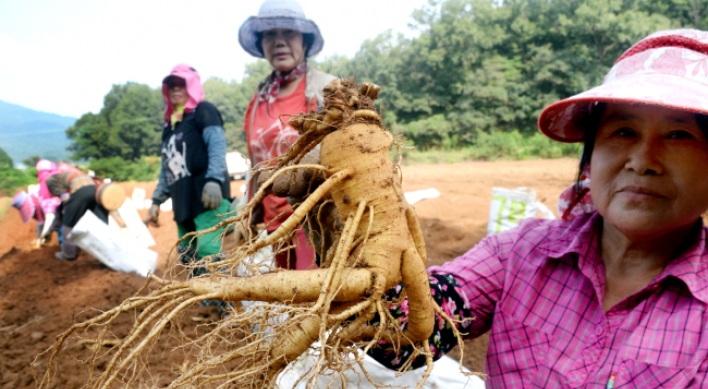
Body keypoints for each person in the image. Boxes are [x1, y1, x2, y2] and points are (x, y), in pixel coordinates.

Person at [282, 29, 708, 387]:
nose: (641, 161)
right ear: (591, 153)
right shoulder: (521, 254)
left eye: (679, 136)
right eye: (624, 130)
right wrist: (346, 230)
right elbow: (411, 337)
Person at [238, 0, 336, 270]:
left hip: (315, 217)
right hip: (275, 224)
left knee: (316, 297)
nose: (279, 41)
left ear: (304, 41)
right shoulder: (259, 98)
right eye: (270, 34)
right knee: (291, 300)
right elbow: (256, 162)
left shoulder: (326, 88)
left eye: (288, 33)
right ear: (261, 44)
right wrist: (249, 210)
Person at [146, 64, 231, 314]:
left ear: (192, 86)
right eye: (171, 86)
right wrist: (156, 200)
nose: (175, 90)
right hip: (182, 200)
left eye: (181, 84)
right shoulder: (170, 126)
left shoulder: (204, 112)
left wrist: (215, 179)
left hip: (208, 194)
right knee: (188, 252)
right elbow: (167, 166)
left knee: (207, 248)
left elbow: (217, 146)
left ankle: (227, 303)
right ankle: (208, 302)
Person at [45, 171, 110, 260]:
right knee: (101, 224)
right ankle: (106, 253)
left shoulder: (53, 180)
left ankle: (68, 254)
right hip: (95, 190)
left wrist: (62, 195)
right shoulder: (73, 175)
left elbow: (49, 181)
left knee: (69, 224)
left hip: (81, 190)